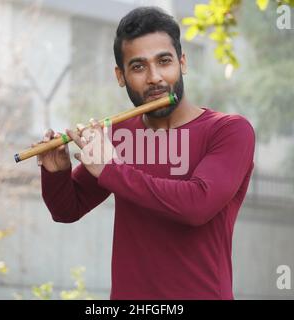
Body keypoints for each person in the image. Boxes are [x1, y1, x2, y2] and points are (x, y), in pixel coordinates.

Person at [37, 6, 255, 300]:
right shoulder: (120, 136)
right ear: (121, 76)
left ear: (182, 62)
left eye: (164, 61)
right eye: (138, 67)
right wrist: (56, 172)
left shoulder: (229, 131)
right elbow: (67, 209)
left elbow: (197, 206)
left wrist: (110, 169)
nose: (154, 77)